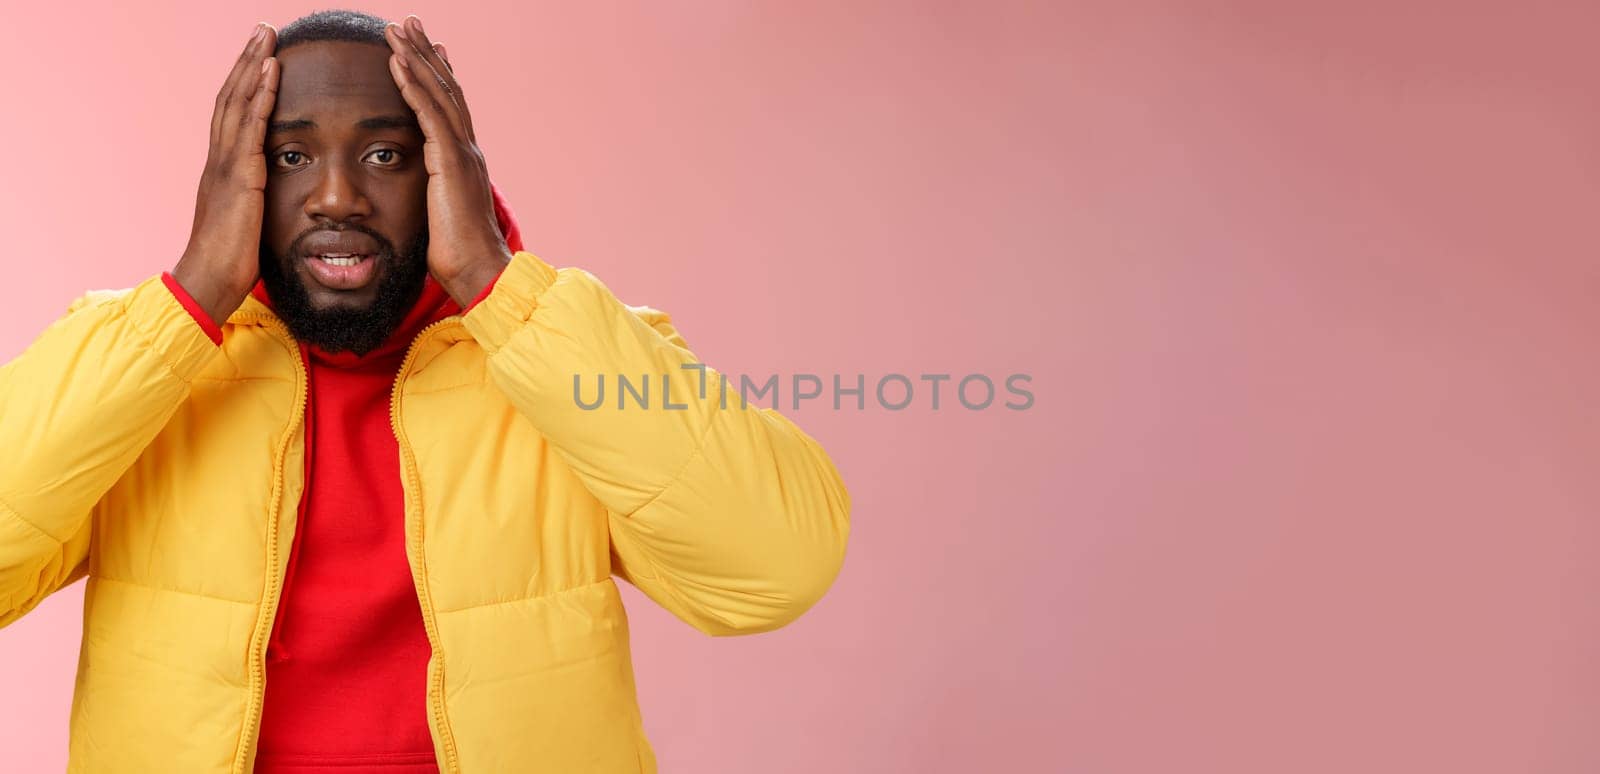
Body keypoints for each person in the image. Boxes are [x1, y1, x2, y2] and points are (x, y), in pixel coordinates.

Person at [0, 10, 850, 773]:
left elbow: (776, 569)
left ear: (452, 174)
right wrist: (187, 300)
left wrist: (496, 283)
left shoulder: (576, 356)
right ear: (232, 180)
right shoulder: (139, 365)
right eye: (290, 156)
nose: (338, 196)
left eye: (385, 154)